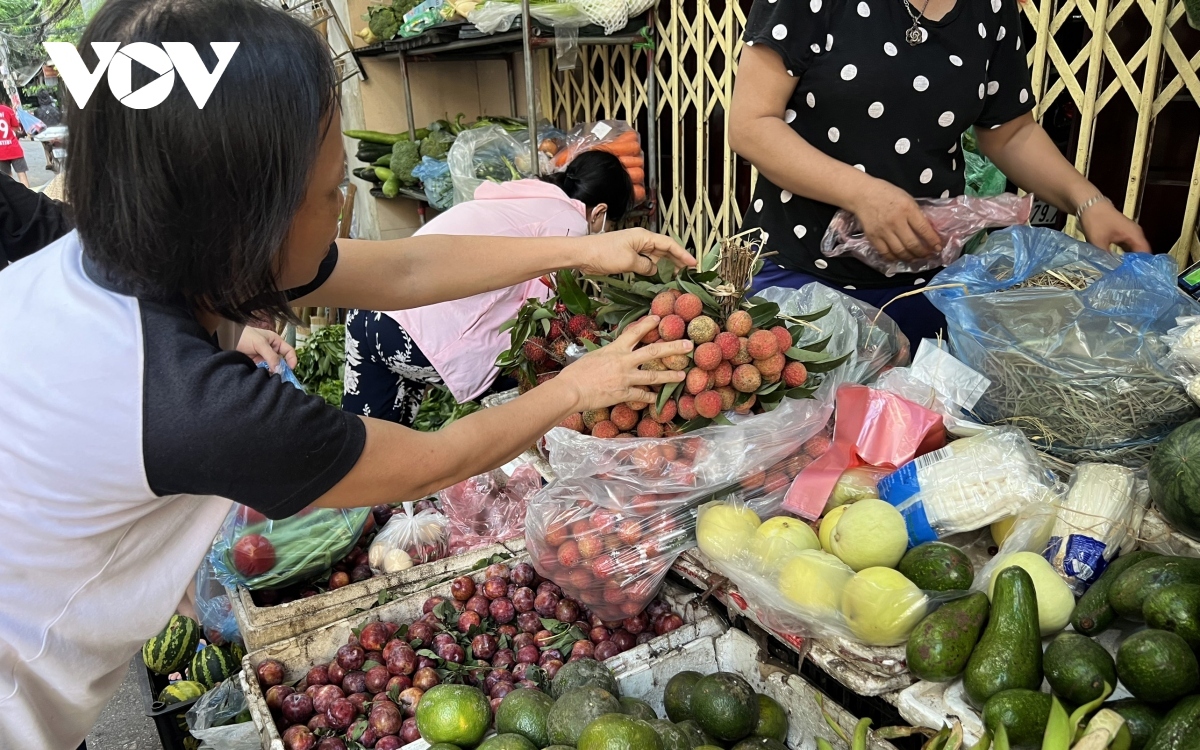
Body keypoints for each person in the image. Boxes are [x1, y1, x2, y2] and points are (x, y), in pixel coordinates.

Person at [0, 0, 695, 746]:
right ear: (251, 223)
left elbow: (406, 264)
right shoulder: (187, 400)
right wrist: (576, 389)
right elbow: (425, 461)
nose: (344, 207)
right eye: (333, 190)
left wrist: (577, 249)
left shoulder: (123, 249)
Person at [728, 0, 1149, 345]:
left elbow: (1010, 132)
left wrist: (1089, 201)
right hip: (797, 281)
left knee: (909, 438)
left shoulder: (990, 9)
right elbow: (752, 125)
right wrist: (862, 194)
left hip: (923, 287)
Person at [344, 150, 634, 423]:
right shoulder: (569, 223)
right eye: (610, 228)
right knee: (530, 389)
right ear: (600, 213)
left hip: (372, 312)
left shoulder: (521, 195)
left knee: (368, 447)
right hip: (415, 337)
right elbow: (534, 322)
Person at [0, 99, 29, 187]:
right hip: (14, 149)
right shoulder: (8, 110)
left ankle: (13, 200)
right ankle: (28, 198)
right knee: (22, 175)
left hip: (1, 152)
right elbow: (16, 128)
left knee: (8, 179)